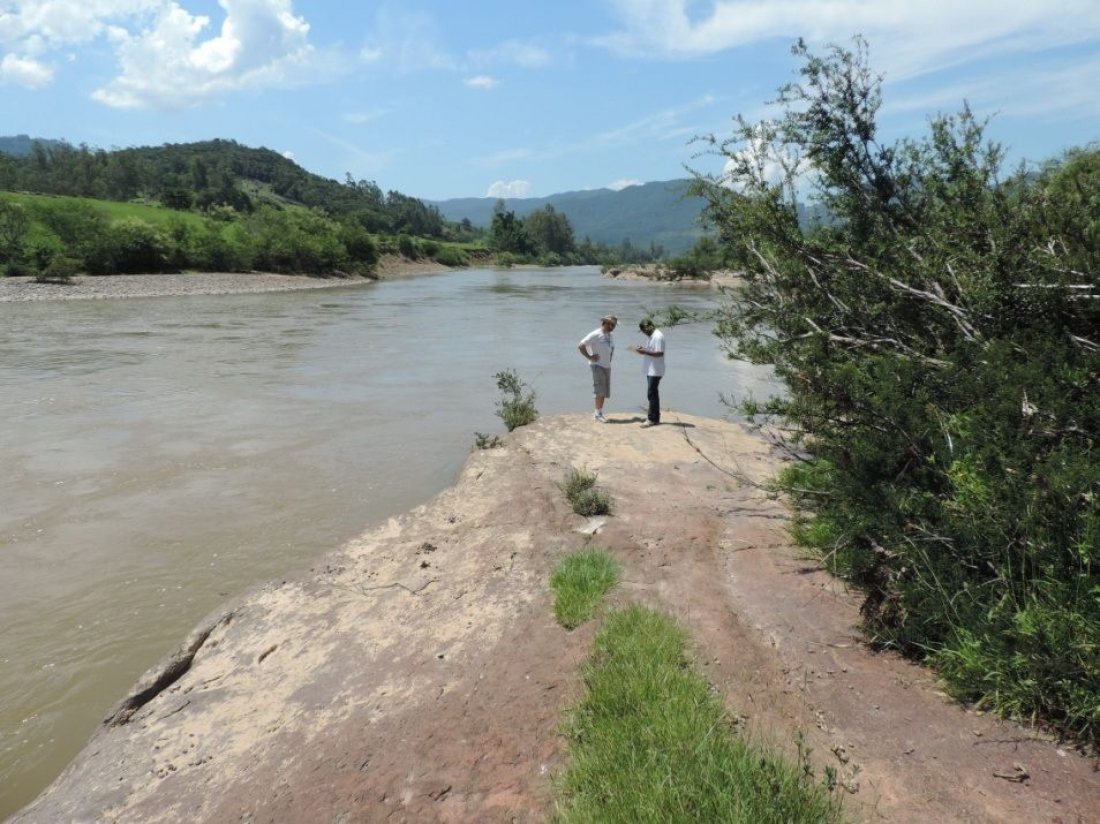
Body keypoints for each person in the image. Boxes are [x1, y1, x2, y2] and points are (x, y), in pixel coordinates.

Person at [577, 315, 617, 422]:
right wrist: (589, 357)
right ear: (605, 323)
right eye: (612, 324)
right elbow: (581, 345)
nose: (613, 327)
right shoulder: (595, 334)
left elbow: (611, 347)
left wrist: (610, 357)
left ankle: (598, 412)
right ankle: (598, 414)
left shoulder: (610, 335)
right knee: (599, 389)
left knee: (604, 390)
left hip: (607, 365)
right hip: (597, 365)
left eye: (614, 325)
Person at [631, 319, 665, 427]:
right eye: (644, 331)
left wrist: (644, 351)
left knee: (651, 394)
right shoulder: (652, 336)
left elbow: (659, 353)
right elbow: (653, 350)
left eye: (645, 330)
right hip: (652, 369)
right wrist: (643, 349)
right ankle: (655, 417)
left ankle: (652, 419)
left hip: (656, 369)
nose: (645, 332)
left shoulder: (658, 336)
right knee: (653, 393)